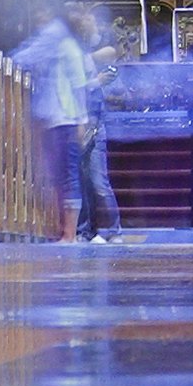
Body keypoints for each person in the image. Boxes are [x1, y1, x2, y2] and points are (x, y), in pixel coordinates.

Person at [13, 10, 91, 239]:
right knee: (57, 175)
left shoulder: (66, 45)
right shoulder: (53, 44)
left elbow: (79, 86)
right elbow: (25, 59)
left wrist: (82, 120)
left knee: (68, 176)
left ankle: (70, 235)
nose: (41, 26)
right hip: (51, 119)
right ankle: (61, 230)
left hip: (66, 118)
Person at [74, 39, 125, 243]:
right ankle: (86, 230)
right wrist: (95, 82)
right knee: (82, 184)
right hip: (77, 123)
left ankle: (114, 230)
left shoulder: (86, 54)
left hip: (94, 124)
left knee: (99, 183)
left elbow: (110, 51)